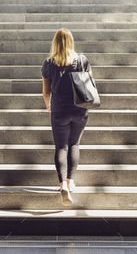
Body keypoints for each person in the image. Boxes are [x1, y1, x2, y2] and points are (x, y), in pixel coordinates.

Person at [41, 28, 92, 206]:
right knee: (74, 144)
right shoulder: (82, 60)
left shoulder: (48, 63)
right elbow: (89, 84)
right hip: (79, 109)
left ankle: (62, 184)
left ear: (55, 42)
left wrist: (49, 106)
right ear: (71, 41)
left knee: (61, 147)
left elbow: (46, 92)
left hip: (59, 111)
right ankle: (71, 181)